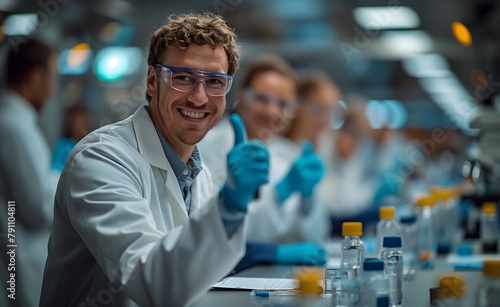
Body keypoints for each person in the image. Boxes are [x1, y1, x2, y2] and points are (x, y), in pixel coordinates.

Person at [40, 13, 269, 307]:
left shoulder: (202, 175)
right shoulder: (100, 160)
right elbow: (151, 282)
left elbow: (192, 278)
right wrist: (229, 208)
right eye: (183, 78)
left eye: (214, 81)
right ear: (152, 81)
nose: (199, 98)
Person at [200, 55, 330, 245]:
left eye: (283, 104)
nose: (272, 112)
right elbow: (219, 231)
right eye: (262, 99)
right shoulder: (208, 146)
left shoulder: (289, 154)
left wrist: (307, 200)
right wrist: (280, 192)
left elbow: (314, 235)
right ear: (240, 97)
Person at [0, 38, 59, 307]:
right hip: (19, 255)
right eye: (53, 77)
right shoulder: (14, 128)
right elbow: (37, 209)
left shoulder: (15, 122)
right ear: (36, 77)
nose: (53, 88)